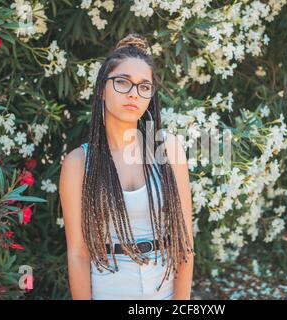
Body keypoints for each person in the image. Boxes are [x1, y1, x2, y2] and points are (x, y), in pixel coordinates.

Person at [59, 34, 195, 300]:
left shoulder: (168, 150)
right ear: (101, 88)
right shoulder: (78, 164)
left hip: (164, 293)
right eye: (122, 82)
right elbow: (78, 253)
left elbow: (184, 245)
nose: (134, 93)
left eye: (144, 86)